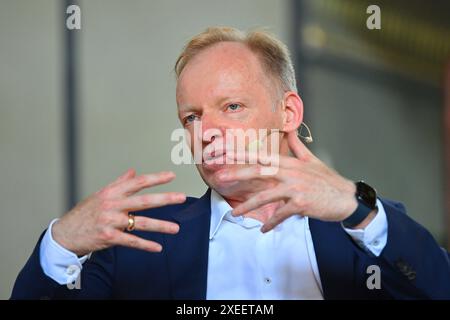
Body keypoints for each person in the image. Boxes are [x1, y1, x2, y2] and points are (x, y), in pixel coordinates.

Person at [11, 27, 450, 299]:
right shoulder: (138, 243)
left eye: (233, 106)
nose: (207, 131)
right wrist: (63, 240)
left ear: (288, 113)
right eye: (192, 116)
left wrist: (357, 206)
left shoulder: (364, 231)